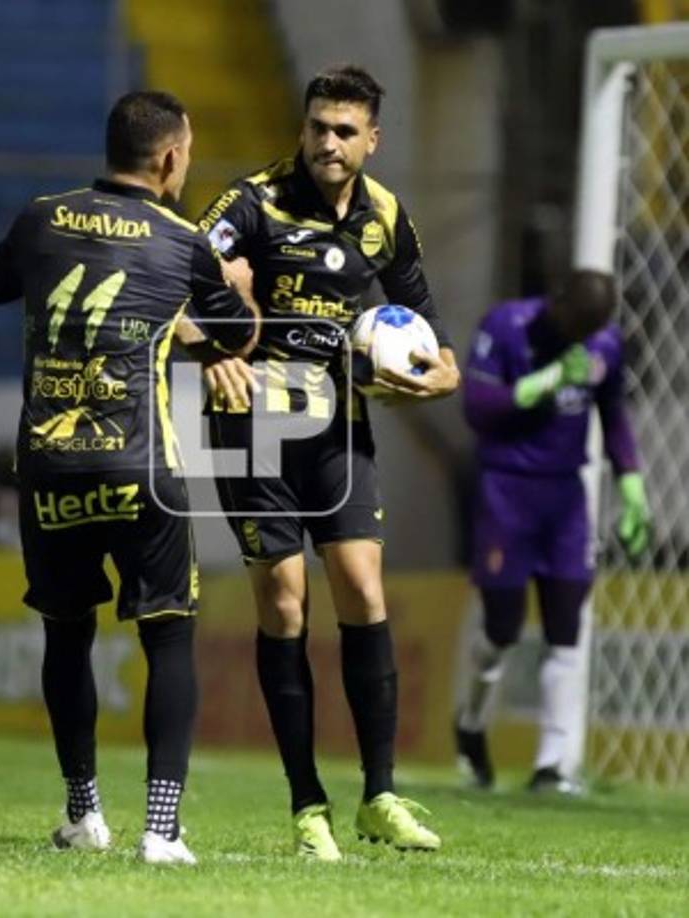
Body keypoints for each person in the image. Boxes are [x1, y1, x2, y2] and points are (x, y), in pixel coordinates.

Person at [188, 65, 460, 860]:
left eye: (344, 131)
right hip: (252, 428)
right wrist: (212, 351)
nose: (328, 142)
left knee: (364, 589)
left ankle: (380, 795)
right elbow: (173, 284)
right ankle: (308, 805)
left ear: (373, 139)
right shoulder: (251, 204)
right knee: (283, 604)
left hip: (338, 427)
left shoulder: (384, 217)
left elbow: (430, 332)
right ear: (303, 128)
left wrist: (437, 376)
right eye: (317, 127)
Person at [0, 91, 257, 864]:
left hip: (49, 466)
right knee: (168, 636)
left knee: (67, 636)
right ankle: (161, 830)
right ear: (169, 157)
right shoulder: (183, 241)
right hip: (141, 467)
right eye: (187, 153)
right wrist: (232, 284)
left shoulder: (42, 216)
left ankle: (84, 814)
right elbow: (238, 338)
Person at [455, 269, 650, 792]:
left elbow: (613, 412)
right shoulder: (505, 326)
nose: (579, 338)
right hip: (507, 490)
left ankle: (554, 765)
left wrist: (631, 481)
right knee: (502, 628)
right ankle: (470, 724)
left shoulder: (604, 344)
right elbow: (477, 407)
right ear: (555, 301)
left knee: (567, 625)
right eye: (574, 325)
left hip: (566, 498)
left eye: (590, 330)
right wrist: (540, 385)